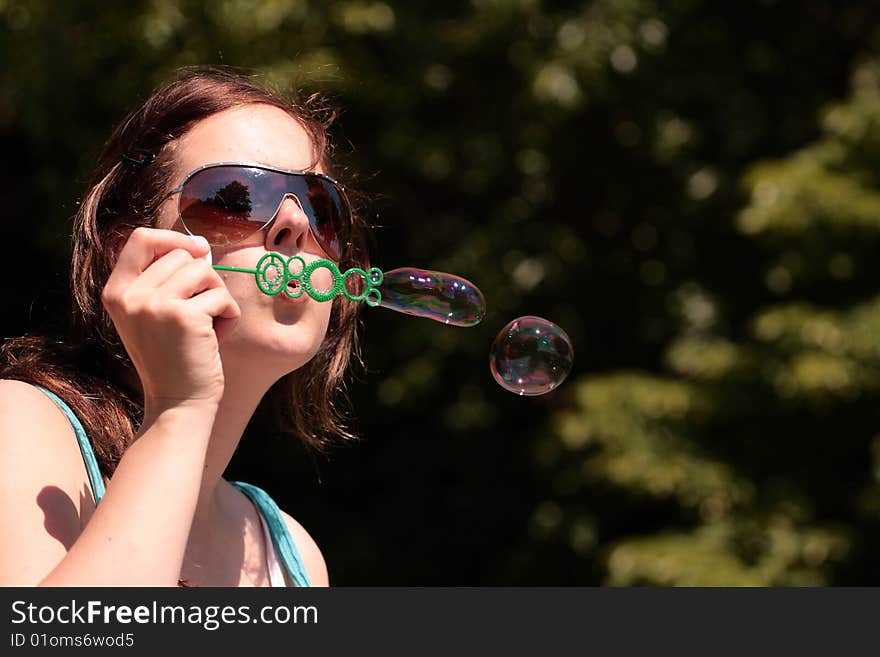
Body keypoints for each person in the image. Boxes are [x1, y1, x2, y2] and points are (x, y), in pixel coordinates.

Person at [0, 68, 372, 586]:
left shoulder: (295, 560)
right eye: (235, 197)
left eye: (322, 207)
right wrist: (181, 407)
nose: (298, 225)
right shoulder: (17, 425)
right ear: (126, 249)